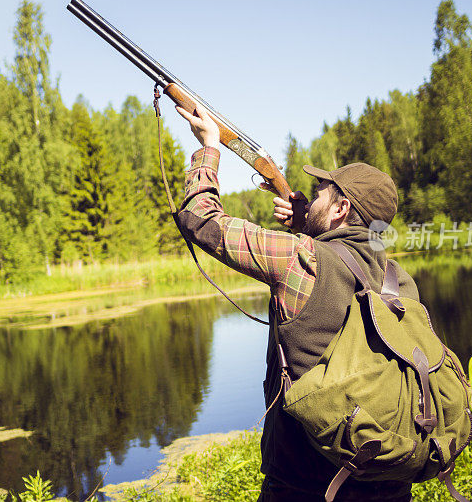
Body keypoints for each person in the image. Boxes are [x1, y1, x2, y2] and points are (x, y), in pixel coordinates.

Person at [175, 104, 419, 502]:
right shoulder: (398, 278)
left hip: (304, 487)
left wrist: (209, 149)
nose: (313, 197)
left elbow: (201, 219)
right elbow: (346, 258)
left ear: (340, 210)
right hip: (386, 482)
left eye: (322, 194)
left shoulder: (298, 258)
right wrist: (308, 223)